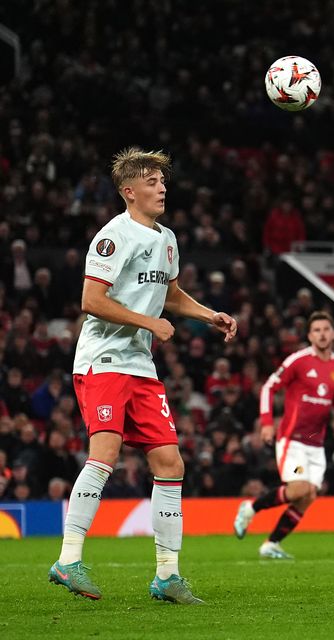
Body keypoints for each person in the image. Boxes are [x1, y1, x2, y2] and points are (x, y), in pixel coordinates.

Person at [49, 148, 237, 602]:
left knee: (171, 463)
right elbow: (91, 300)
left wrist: (209, 315)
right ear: (128, 192)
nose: (162, 188)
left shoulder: (167, 238)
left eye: (163, 182)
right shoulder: (113, 237)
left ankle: (167, 576)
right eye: (152, 182)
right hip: (104, 360)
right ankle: (68, 559)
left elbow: (170, 295)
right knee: (106, 452)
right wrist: (148, 323)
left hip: (141, 366)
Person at [233, 311, 334, 558]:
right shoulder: (298, 361)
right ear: (310, 335)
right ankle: (250, 508)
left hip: (316, 444)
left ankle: (271, 544)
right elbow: (269, 387)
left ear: (333, 333)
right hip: (292, 441)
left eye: (325, 329)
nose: (321, 334)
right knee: (299, 488)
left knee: (308, 496)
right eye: (316, 330)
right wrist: (267, 422)